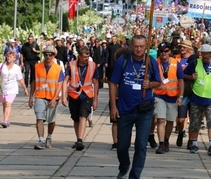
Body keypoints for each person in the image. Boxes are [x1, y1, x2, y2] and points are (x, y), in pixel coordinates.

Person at [109, 35, 161, 179]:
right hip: (124, 109)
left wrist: (150, 84)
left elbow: (159, 82)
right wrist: (113, 106)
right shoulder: (123, 60)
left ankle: (134, 175)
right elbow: (113, 83)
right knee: (122, 146)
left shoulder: (150, 61)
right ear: (131, 46)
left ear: (146, 47)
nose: (138, 49)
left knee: (141, 145)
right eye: (136, 46)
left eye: (141, 46)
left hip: (144, 110)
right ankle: (124, 165)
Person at [184, 44, 211, 156]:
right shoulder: (195, 63)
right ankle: (194, 144)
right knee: (194, 122)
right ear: (200, 54)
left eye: (208, 53)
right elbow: (183, 75)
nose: (205, 55)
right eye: (203, 53)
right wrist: (191, 77)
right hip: (196, 97)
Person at [62, 46, 99, 151]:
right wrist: (63, 96)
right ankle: (78, 138)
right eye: (84, 57)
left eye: (88, 56)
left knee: (83, 115)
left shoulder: (93, 65)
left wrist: (96, 99)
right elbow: (66, 80)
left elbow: (96, 82)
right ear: (79, 56)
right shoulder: (71, 64)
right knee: (76, 118)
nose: (86, 59)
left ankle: (80, 140)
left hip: (86, 94)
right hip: (73, 94)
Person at [28, 46, 64, 150]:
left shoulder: (58, 68)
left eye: (50, 54)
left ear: (54, 55)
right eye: (46, 54)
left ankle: (49, 136)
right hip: (40, 96)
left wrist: (55, 98)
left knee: (51, 120)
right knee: (39, 118)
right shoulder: (37, 66)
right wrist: (31, 97)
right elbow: (34, 82)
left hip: (52, 97)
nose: (48, 56)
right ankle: (41, 140)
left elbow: (59, 84)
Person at [153, 42, 184, 154]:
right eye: (161, 51)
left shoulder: (176, 63)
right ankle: (161, 144)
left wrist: (180, 96)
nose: (163, 53)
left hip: (172, 96)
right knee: (160, 119)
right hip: (159, 95)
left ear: (170, 51)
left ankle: (166, 140)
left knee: (170, 121)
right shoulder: (155, 63)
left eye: (166, 51)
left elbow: (181, 80)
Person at [0, 51, 28, 127]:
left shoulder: (16, 68)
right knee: (4, 104)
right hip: (2, 88)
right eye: (8, 56)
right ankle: (7, 119)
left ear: (14, 58)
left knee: (8, 103)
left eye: (10, 57)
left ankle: (5, 121)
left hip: (12, 88)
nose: (8, 58)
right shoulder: (1, 65)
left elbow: (20, 79)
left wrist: (25, 88)